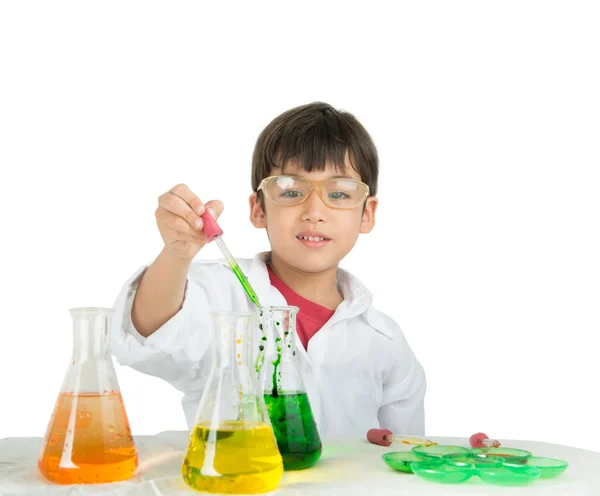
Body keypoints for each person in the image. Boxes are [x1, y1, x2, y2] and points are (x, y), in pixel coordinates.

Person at [110, 102, 426, 436]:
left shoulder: (385, 341)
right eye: (291, 191)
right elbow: (149, 333)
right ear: (259, 209)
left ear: (367, 214)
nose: (314, 211)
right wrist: (176, 255)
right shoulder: (220, 294)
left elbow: (405, 456)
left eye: (339, 193)